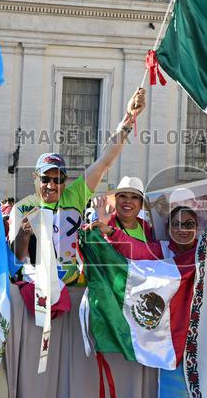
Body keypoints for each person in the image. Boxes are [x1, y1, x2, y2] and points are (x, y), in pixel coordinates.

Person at [10, 87, 147, 282]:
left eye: (58, 180)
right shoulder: (22, 207)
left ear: (65, 181)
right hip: (35, 291)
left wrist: (129, 118)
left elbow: (105, 161)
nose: (51, 185)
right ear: (35, 177)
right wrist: (24, 233)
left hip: (72, 286)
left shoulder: (74, 195)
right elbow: (15, 258)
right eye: (45, 179)